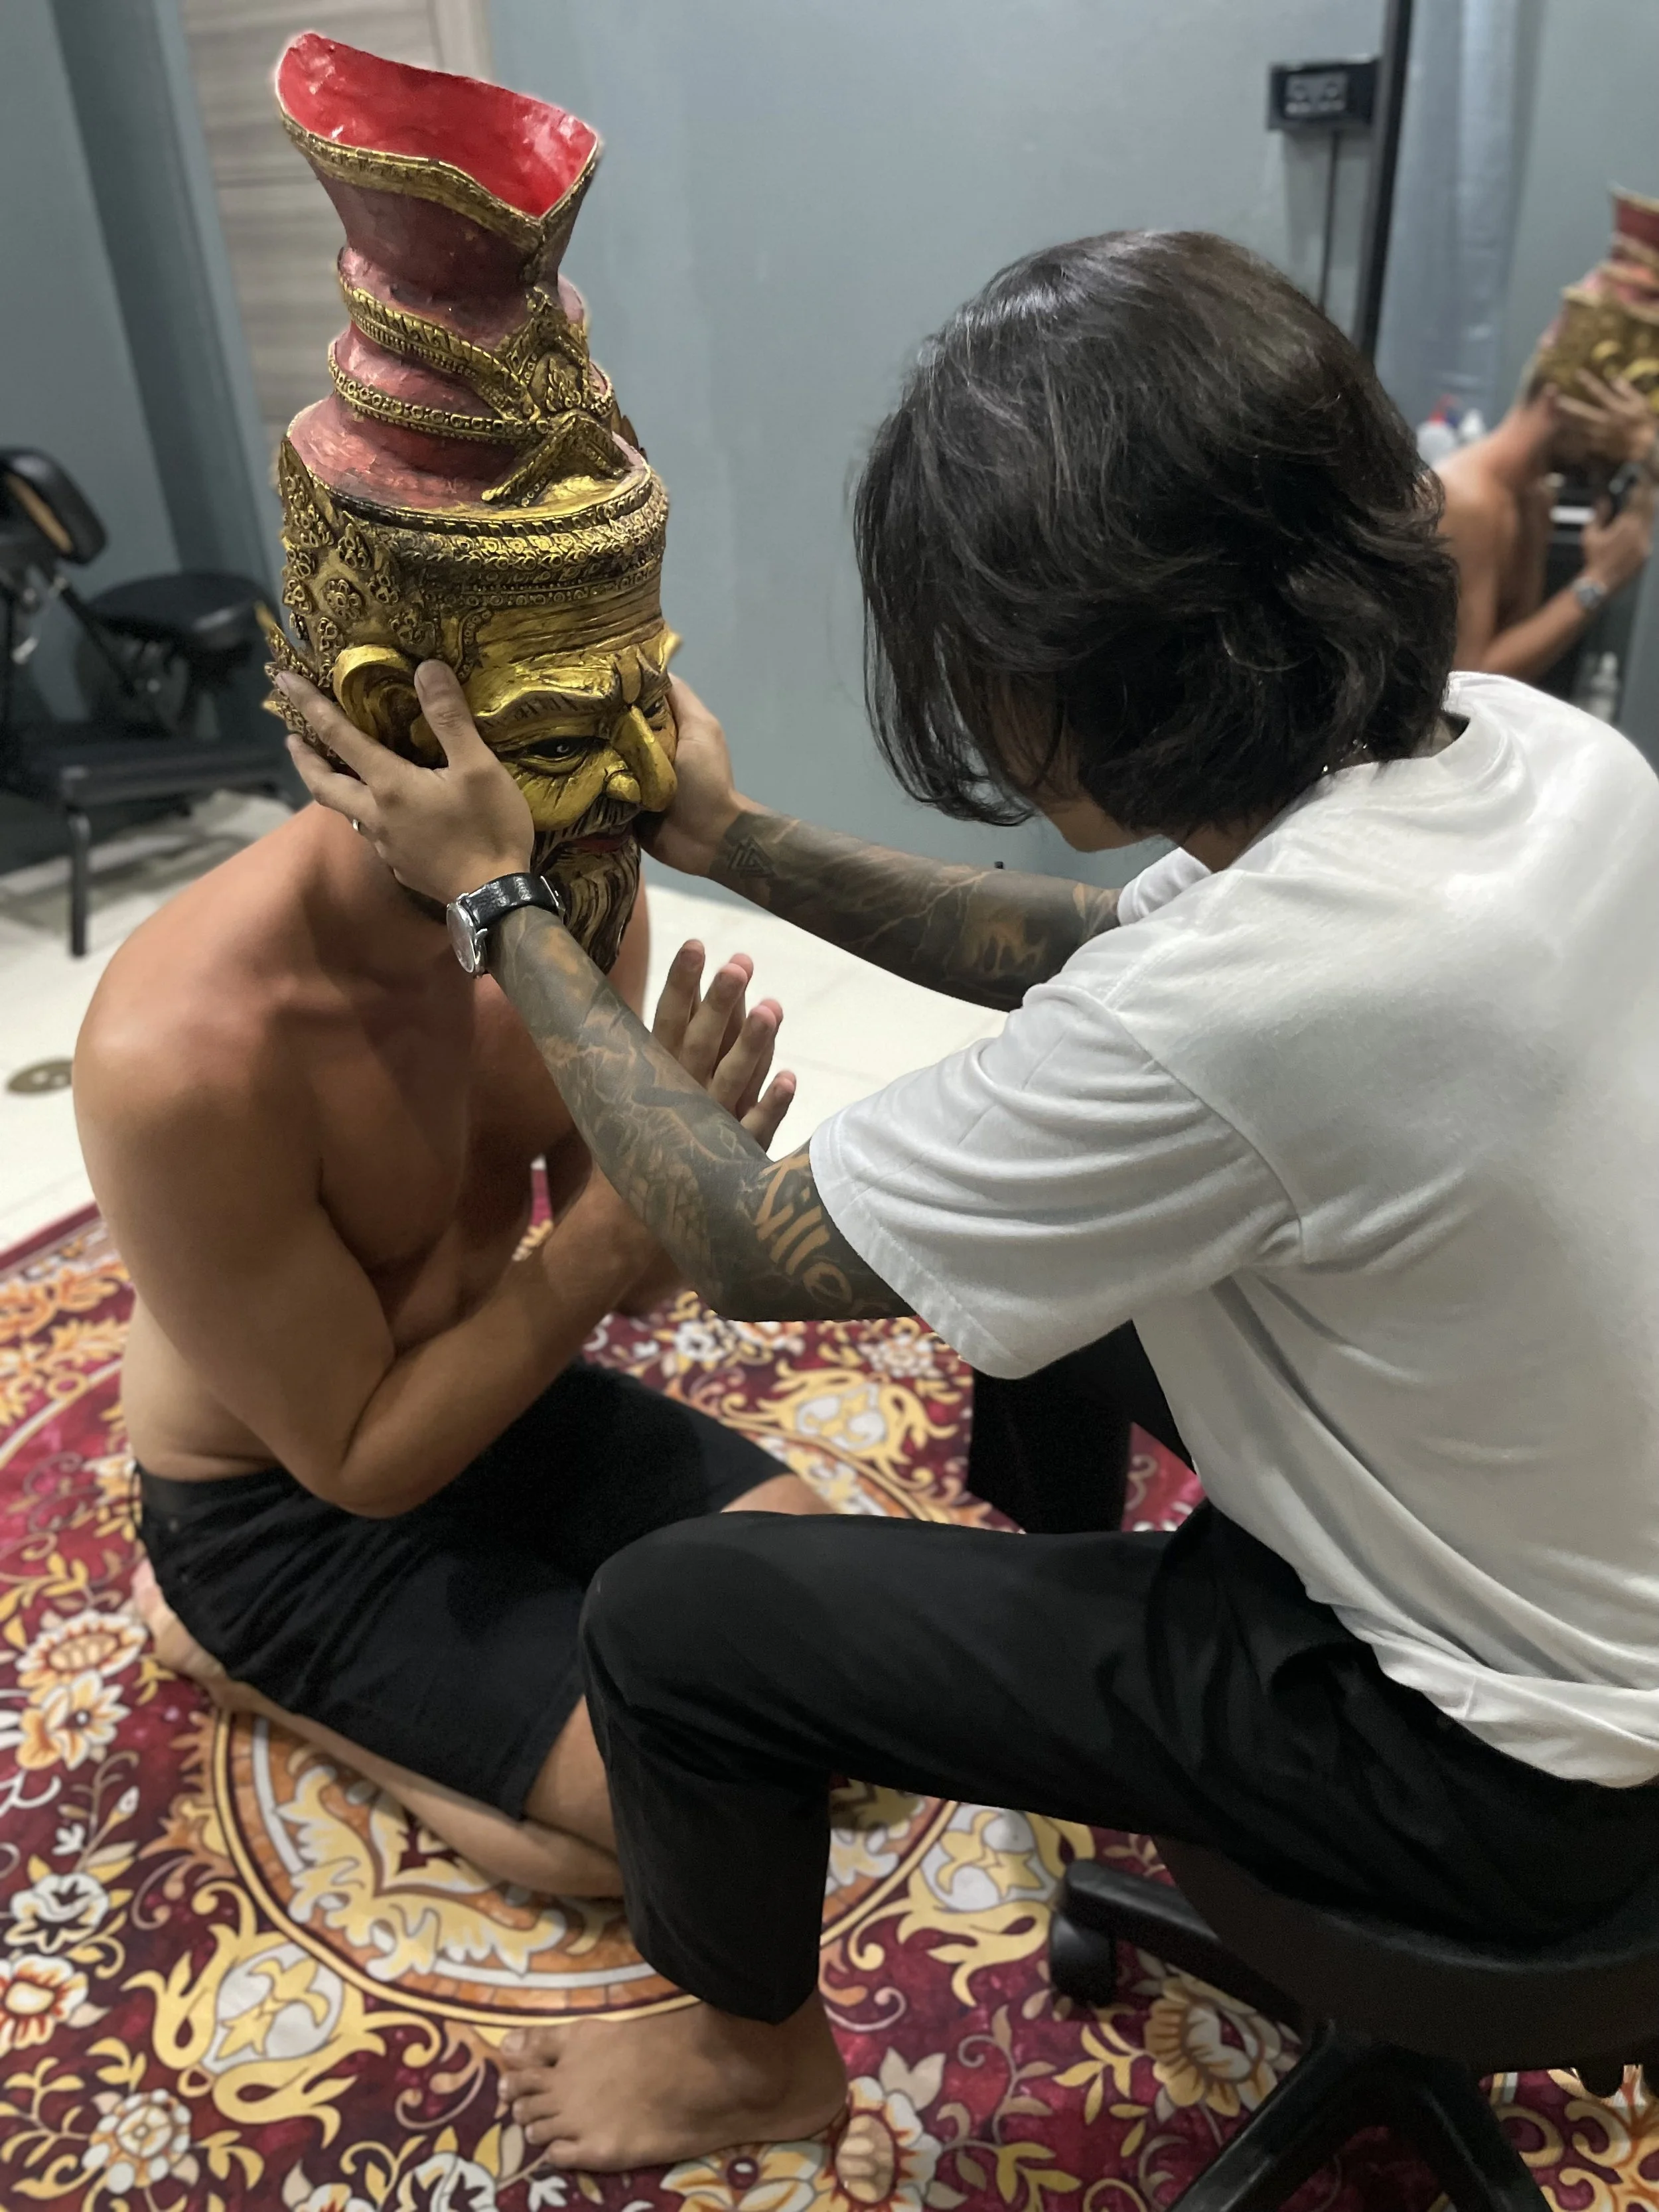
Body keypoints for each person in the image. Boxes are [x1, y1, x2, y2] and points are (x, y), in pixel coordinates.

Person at [281, 229, 1659, 2172]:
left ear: (1081, 667)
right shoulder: (1535, 755)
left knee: (679, 1615)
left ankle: (750, 2062)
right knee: (1037, 1275)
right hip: (1592, 1602)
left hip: (1498, 1786)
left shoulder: (1243, 1018)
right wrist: (734, 839)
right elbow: (1099, 952)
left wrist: (500, 905)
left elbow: (744, 1243)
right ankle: (1060, 1620)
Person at [74, 791, 820, 1903]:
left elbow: (639, 1284)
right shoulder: (182, 1041)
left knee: (837, 1645)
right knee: (711, 1819)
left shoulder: (579, 883)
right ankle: (248, 1668)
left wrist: (685, 1180)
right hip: (278, 1503)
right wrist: (621, 1220)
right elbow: (361, 1459)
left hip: (498, 1390)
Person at [1435, 362, 1655, 680]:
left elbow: (1516, 675)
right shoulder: (1465, 499)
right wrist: (1598, 581)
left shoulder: (1536, 501)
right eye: (1610, 428)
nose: (1616, 453)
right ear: (1558, 402)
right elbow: (1470, 687)